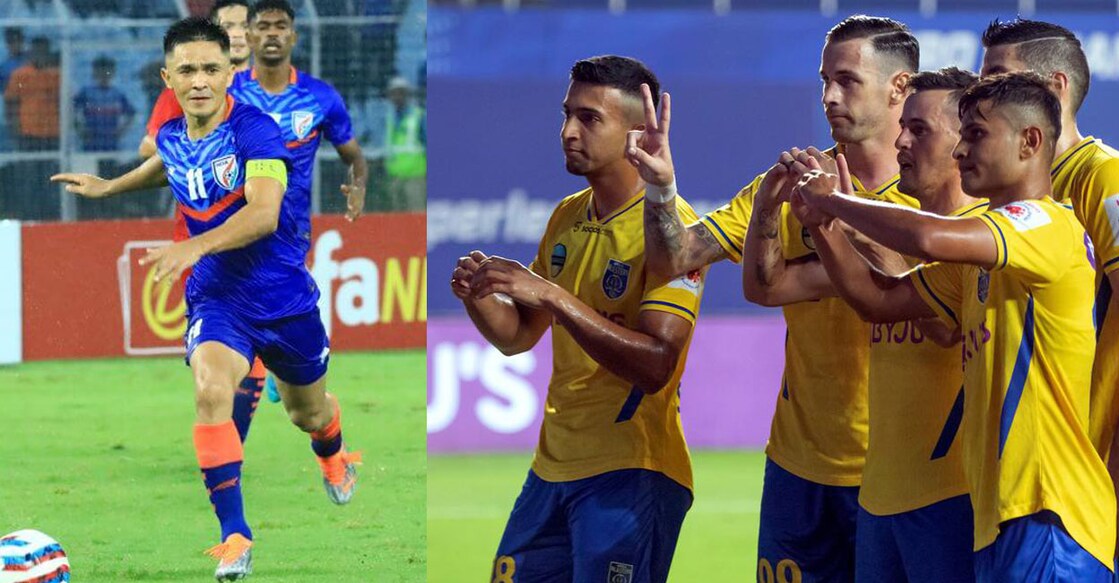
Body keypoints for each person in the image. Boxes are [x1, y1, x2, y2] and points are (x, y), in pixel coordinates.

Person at [50, 18, 361, 581]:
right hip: (219, 297)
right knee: (212, 391)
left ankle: (333, 449)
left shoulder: (256, 131)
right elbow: (166, 164)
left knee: (307, 413)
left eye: (211, 69)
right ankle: (234, 537)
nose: (199, 81)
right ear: (167, 77)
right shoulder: (173, 133)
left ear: (229, 74)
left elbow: (264, 214)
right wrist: (109, 186)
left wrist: (194, 245)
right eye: (187, 70)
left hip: (284, 301)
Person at [794, 71, 1116, 581]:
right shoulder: (980, 260)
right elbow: (879, 300)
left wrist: (834, 200)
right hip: (1000, 521)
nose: (961, 150)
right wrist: (823, 226)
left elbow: (928, 238)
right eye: (962, 134)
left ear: (1030, 141)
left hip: (1050, 515)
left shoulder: (1046, 224)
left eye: (977, 134)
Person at [637, 15, 918, 580]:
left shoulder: (934, 193)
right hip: (798, 468)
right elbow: (674, 258)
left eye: (847, 80)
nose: (829, 96)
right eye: (824, 81)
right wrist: (661, 187)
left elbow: (915, 282)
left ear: (899, 88)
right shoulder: (794, 183)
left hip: (900, 474)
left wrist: (841, 217)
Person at [454, 56, 705, 583]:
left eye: (589, 118)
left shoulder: (672, 233)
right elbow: (518, 336)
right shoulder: (567, 215)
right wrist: (479, 297)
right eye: (567, 114)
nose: (568, 131)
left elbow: (656, 364)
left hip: (632, 471)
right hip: (552, 468)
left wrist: (552, 296)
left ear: (637, 135)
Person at [978, 17, 1119, 506]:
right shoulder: (1000, 189)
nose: (982, 93)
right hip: (1019, 468)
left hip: (1088, 462)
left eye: (997, 77)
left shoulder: (1104, 177)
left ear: (1055, 87)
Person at [138, 0, 270, 438]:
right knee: (220, 343)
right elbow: (150, 145)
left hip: (257, 228)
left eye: (243, 24)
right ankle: (231, 433)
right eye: (226, 25)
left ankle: (234, 433)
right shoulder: (190, 86)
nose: (237, 32)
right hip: (197, 231)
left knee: (246, 333)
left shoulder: (262, 93)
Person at [4, 36, 59, 152]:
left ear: (48, 53)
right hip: (27, 131)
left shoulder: (57, 75)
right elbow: (10, 102)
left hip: (52, 131)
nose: (40, 55)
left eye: (43, 51)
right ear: (31, 53)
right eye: (37, 51)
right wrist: (14, 127)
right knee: (29, 162)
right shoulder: (19, 75)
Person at [74, 56, 135, 152]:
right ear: (94, 73)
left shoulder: (117, 94)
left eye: (107, 72)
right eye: (100, 72)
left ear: (113, 73)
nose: (104, 75)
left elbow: (131, 114)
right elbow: (72, 111)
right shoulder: (86, 92)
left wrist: (121, 131)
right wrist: (80, 129)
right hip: (91, 142)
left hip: (111, 142)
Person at [384, 75, 425, 210]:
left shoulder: (418, 116)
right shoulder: (390, 118)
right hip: (395, 175)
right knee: (396, 213)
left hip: (415, 175)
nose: (397, 97)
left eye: (401, 93)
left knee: (416, 211)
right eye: (394, 93)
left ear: (407, 95)